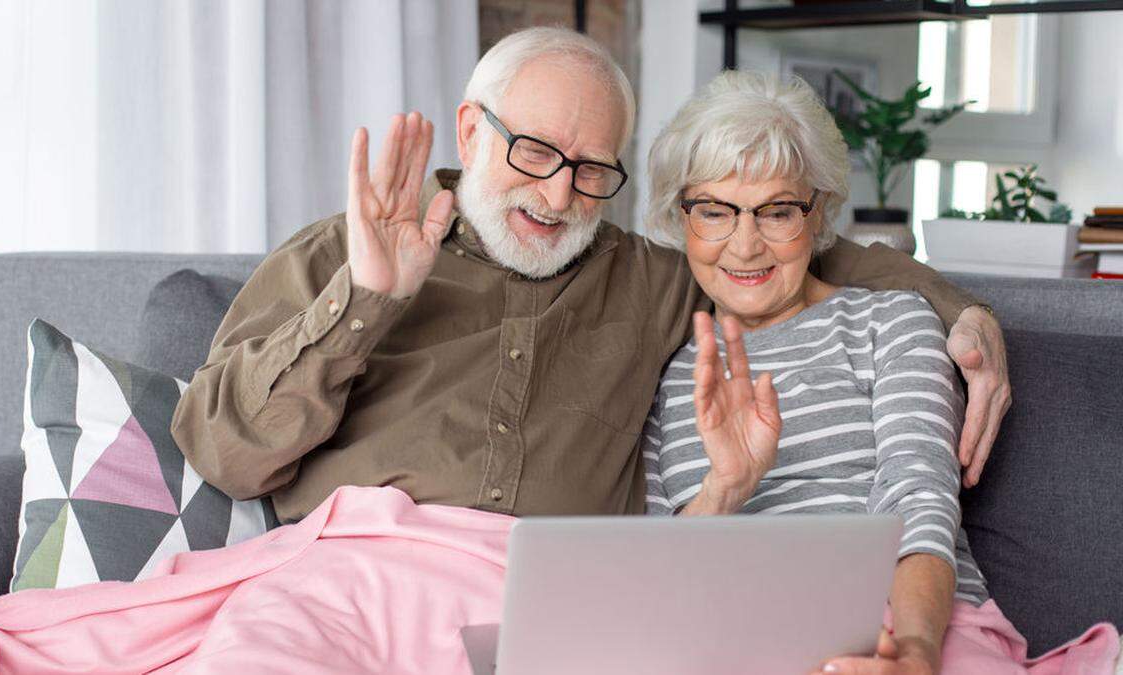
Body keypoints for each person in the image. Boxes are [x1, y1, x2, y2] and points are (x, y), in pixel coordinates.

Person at [170, 26, 1009, 526]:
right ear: (471, 130)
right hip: (350, 578)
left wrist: (963, 311)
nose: (558, 193)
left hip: (552, 615)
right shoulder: (338, 252)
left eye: (592, 169)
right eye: (534, 151)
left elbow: (796, 249)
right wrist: (365, 301)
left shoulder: (650, 278)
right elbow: (224, 452)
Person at [641, 70, 1114, 674]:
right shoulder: (673, 369)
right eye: (714, 211)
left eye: (777, 212)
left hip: (907, 618)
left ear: (819, 216)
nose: (745, 244)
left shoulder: (888, 320)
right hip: (740, 639)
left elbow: (918, 495)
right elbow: (660, 581)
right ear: (679, 218)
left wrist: (914, 653)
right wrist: (725, 488)